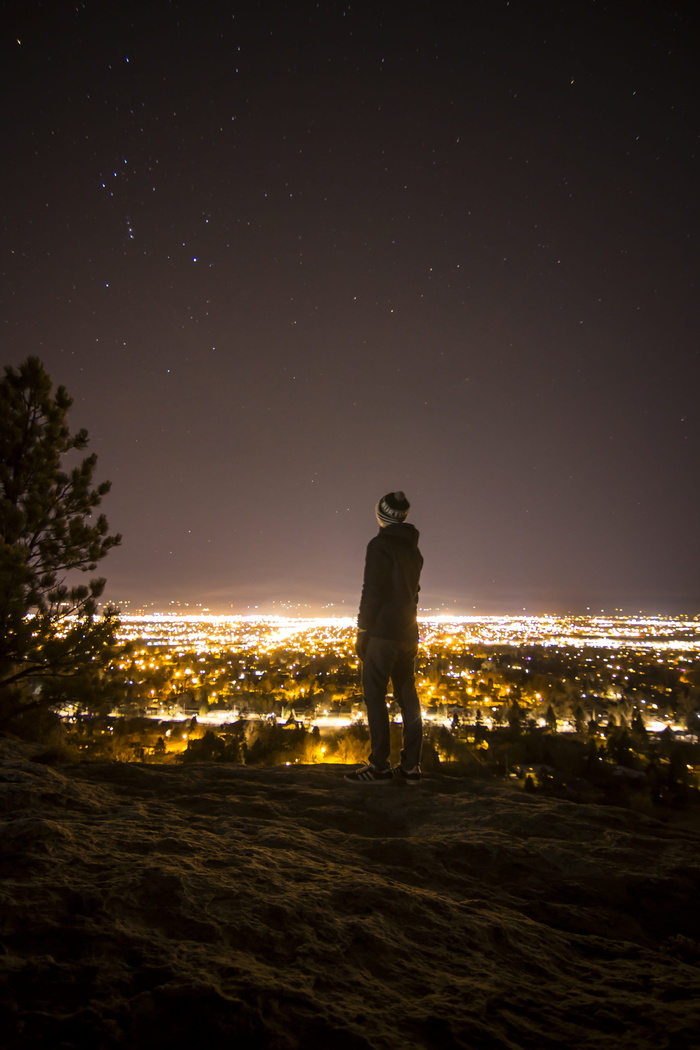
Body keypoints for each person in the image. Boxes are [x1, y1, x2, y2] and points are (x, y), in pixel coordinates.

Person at [344, 491, 424, 784]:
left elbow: (372, 590)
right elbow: (413, 594)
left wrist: (363, 630)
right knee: (408, 696)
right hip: (407, 632)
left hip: (382, 633)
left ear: (382, 514)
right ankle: (412, 767)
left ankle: (379, 767)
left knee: (375, 696)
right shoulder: (414, 550)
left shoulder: (380, 546)